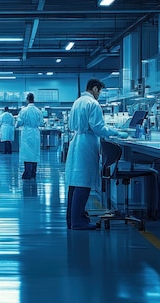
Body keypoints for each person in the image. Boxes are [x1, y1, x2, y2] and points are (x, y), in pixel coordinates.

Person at [64, 78, 127, 230]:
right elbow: (98, 128)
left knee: (75, 181)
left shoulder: (78, 101)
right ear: (94, 88)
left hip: (77, 141)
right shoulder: (93, 103)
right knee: (83, 182)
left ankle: (72, 219)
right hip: (87, 142)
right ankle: (78, 221)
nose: (100, 94)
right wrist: (116, 132)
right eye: (100, 91)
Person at [16, 93, 44, 179]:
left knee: (27, 153)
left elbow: (19, 122)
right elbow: (42, 123)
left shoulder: (23, 111)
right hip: (35, 133)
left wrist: (16, 125)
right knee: (35, 153)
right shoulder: (38, 111)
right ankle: (33, 172)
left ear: (27, 100)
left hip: (26, 133)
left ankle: (27, 173)